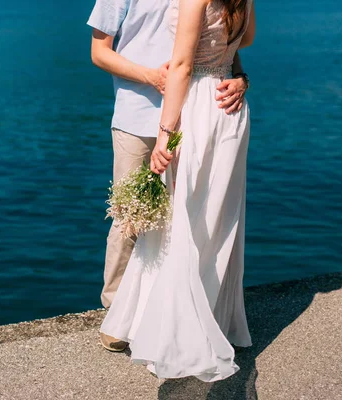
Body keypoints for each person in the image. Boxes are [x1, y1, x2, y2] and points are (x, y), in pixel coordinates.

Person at [99, 0, 256, 381]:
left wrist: (169, 136)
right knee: (186, 219)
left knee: (185, 221)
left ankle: (168, 324)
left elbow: (191, 63)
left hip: (192, 111)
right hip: (184, 113)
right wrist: (153, 77)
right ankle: (134, 310)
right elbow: (99, 52)